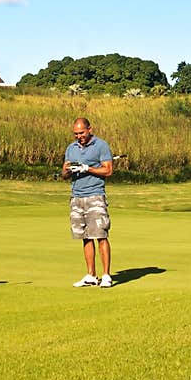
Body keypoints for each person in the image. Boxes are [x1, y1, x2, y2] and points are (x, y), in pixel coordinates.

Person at [61, 117, 114, 288]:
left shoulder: (101, 146)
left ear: (89, 129)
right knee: (85, 236)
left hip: (95, 195)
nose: (79, 137)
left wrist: (88, 168)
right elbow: (64, 173)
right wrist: (69, 170)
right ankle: (91, 275)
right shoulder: (71, 148)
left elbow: (108, 170)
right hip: (77, 196)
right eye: (76, 134)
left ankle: (106, 275)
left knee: (100, 235)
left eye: (82, 133)